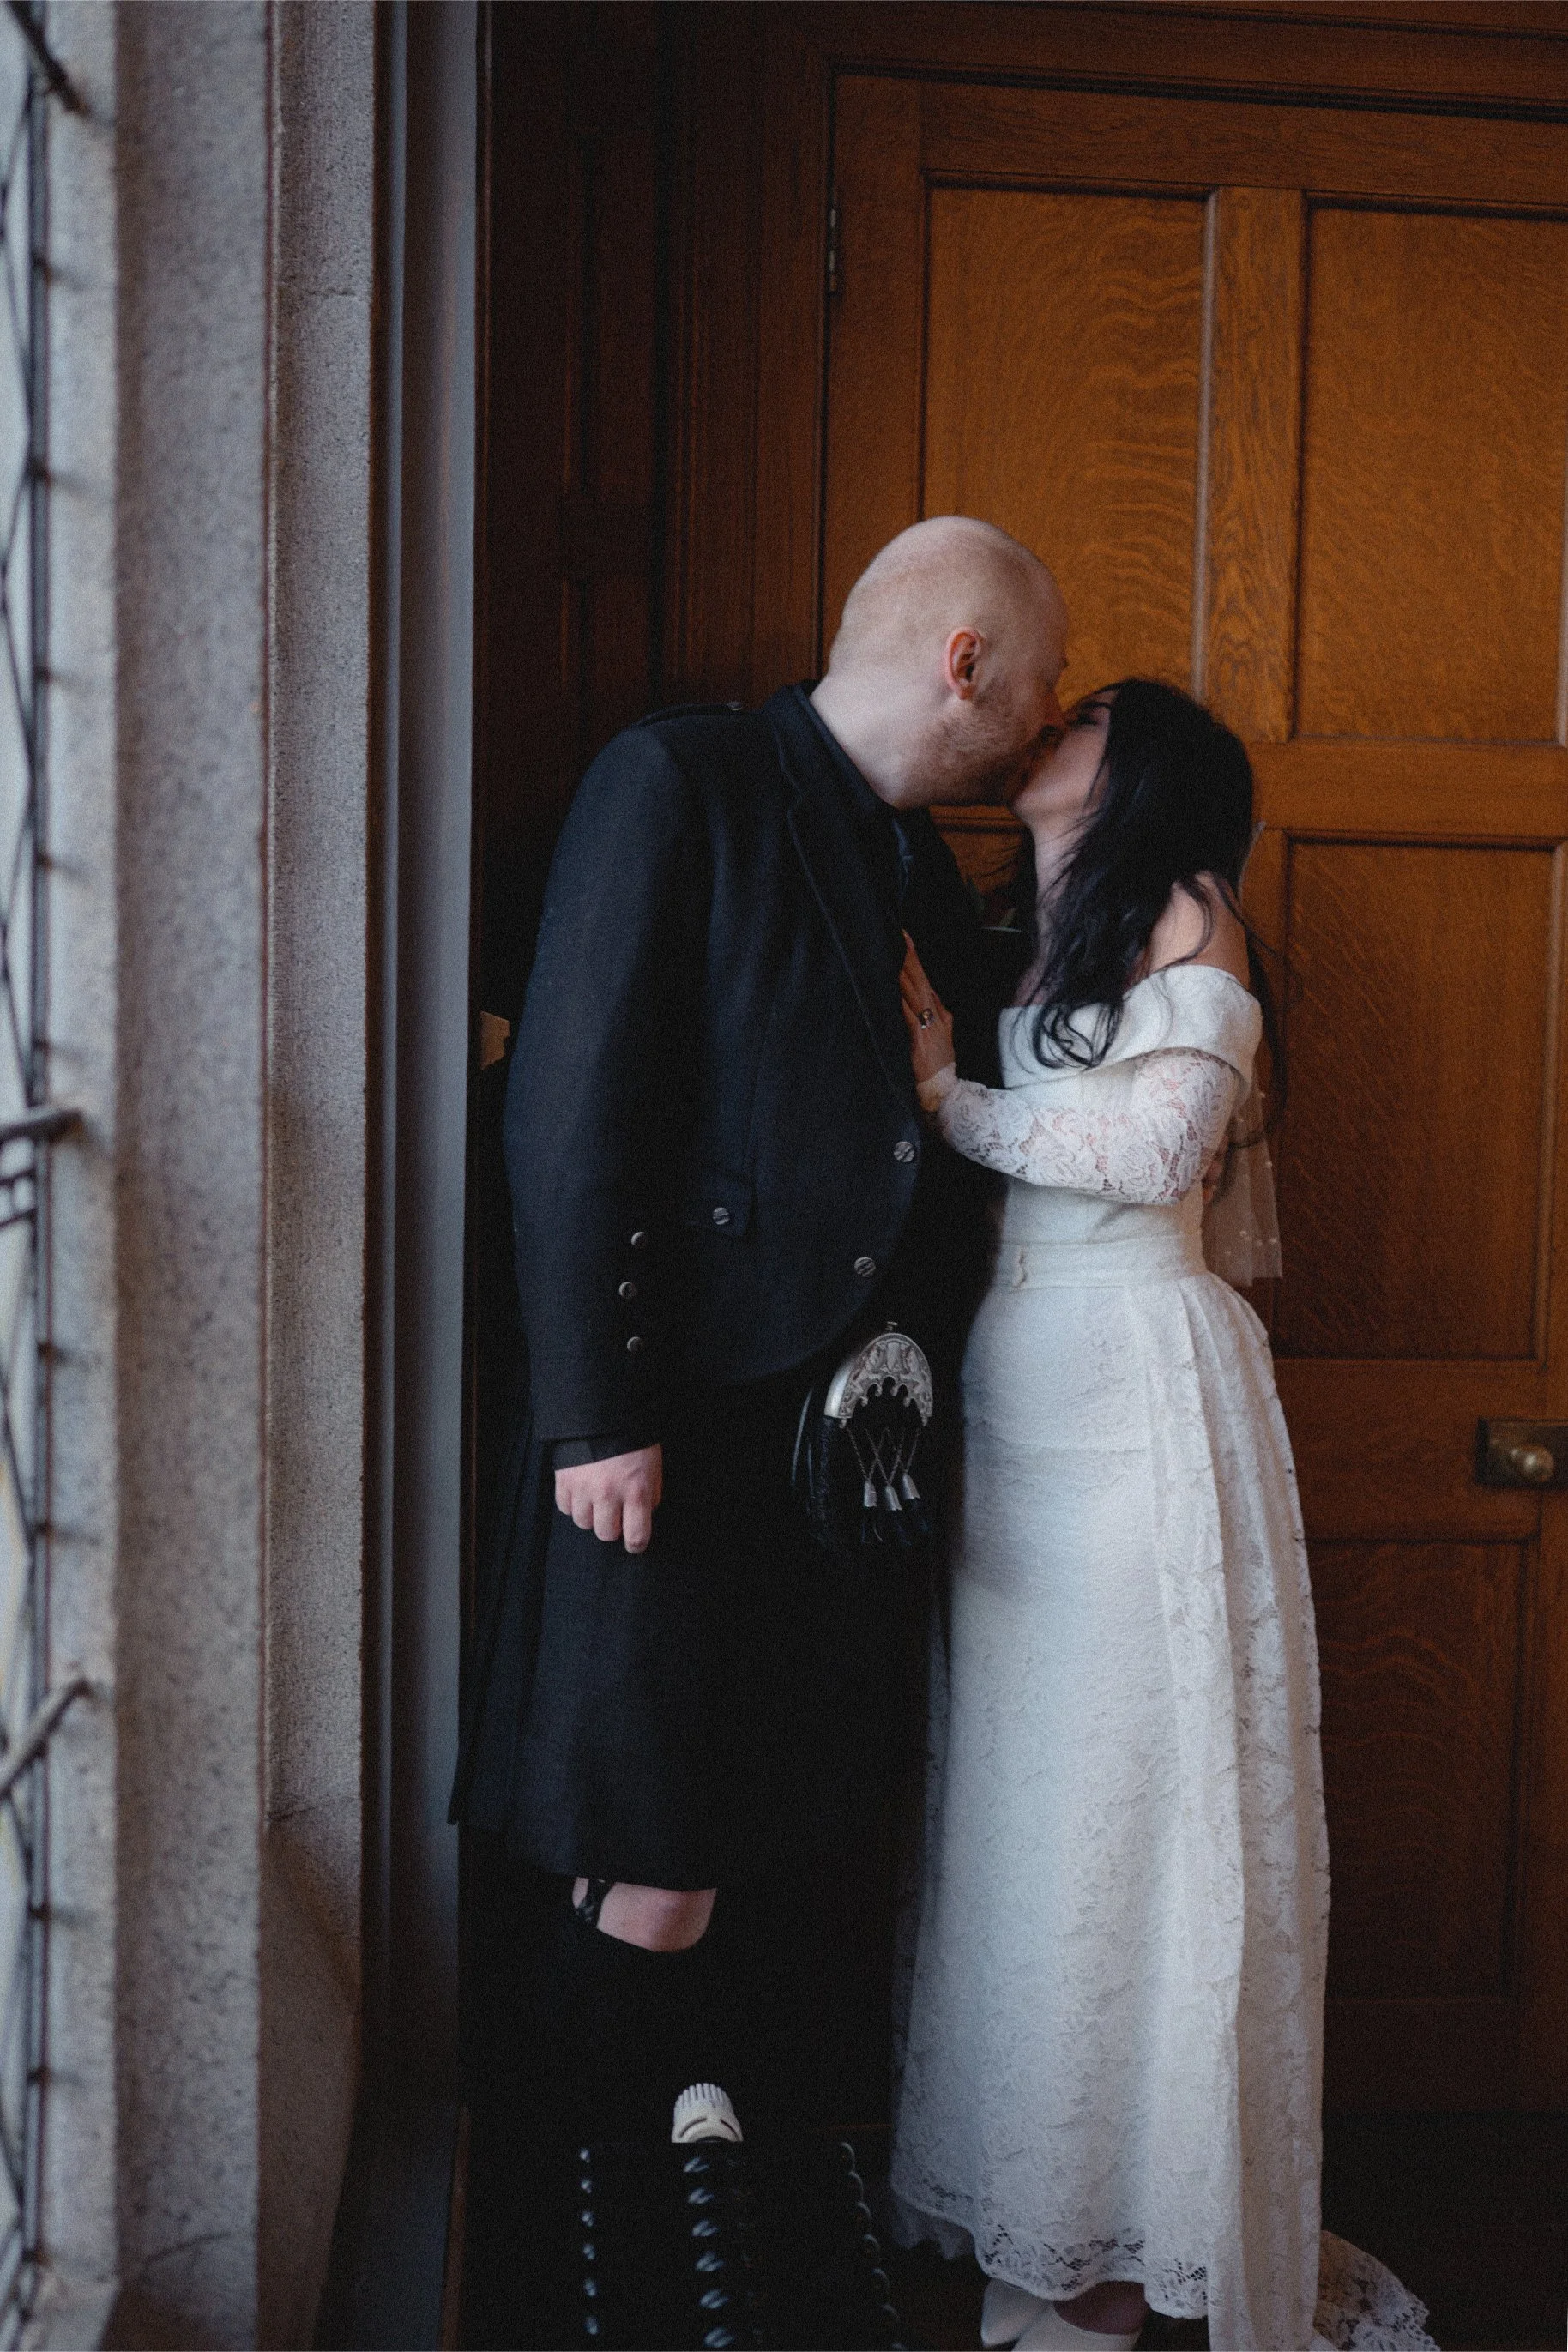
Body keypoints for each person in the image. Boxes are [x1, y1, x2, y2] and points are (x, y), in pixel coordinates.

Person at [449, 515, 1070, 2147]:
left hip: (826, 1466)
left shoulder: (914, 851)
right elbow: (573, 1113)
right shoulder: (685, 781)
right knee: (642, 1855)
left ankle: (700, 2215)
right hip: (670, 1428)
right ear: (964, 663)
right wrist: (593, 1412)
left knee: (754, 1852)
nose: (1052, 705)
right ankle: (562, 2224)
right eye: (1044, 675)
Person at [890, 681, 1435, 2352]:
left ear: (1135, 775)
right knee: (1026, 1808)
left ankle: (1129, 2245)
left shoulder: (1187, 912)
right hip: (1014, 1383)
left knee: (1131, 1801)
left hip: (1134, 1385)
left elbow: (1149, 1151)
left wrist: (941, 1097)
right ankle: (1045, 2210)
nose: (1041, 727)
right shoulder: (1014, 913)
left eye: (1079, 716)